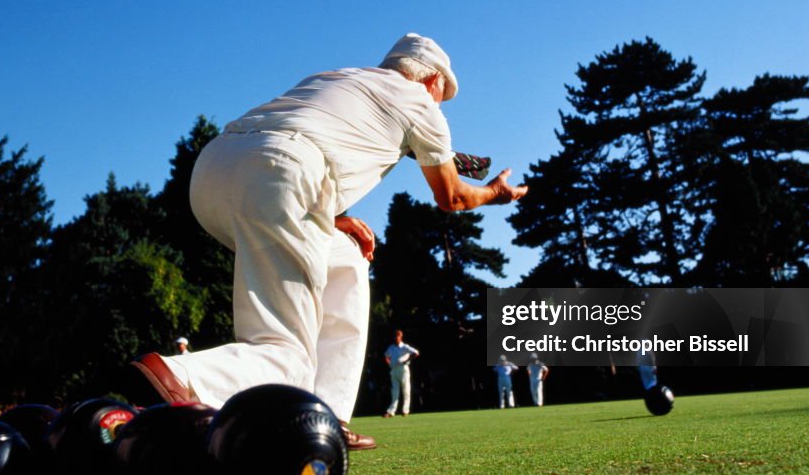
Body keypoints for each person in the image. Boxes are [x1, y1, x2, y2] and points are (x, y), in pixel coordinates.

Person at [124, 33, 527, 451]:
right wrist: (496, 194)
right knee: (287, 354)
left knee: (348, 262)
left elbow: (288, 143)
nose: (441, 104)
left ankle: (326, 414)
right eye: (443, 95)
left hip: (212, 175)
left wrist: (329, 215)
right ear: (430, 81)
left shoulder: (340, 79)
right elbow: (453, 196)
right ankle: (179, 375)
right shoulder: (419, 101)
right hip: (282, 172)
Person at [383, 330, 419, 417]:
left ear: (401, 336)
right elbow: (386, 356)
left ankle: (405, 411)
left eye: (398, 336)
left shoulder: (405, 346)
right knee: (394, 391)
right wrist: (389, 363)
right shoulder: (391, 347)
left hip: (403, 369)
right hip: (394, 370)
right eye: (395, 336)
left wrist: (407, 360)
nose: (396, 337)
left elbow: (416, 353)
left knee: (406, 390)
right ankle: (391, 411)